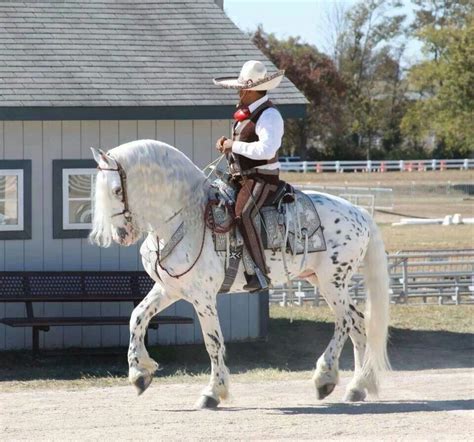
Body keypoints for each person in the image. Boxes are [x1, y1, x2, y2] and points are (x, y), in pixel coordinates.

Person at [213, 60, 285, 291]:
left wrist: (233, 145)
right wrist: (229, 146)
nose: (239, 92)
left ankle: (259, 275)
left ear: (251, 90)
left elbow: (267, 150)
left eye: (241, 88)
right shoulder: (250, 114)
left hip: (263, 178)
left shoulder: (269, 115)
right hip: (243, 177)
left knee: (243, 214)